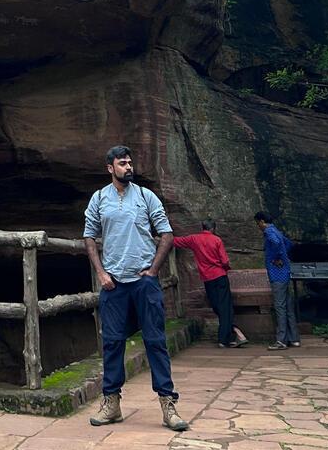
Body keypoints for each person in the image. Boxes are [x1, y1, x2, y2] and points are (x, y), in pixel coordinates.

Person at [83, 145, 189, 432]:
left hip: (144, 282)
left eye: (130, 163)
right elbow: (89, 237)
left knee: (156, 341)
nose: (128, 167)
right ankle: (112, 403)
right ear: (110, 168)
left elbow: (166, 234)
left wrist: (153, 270)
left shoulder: (145, 196)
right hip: (114, 283)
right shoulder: (99, 199)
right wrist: (101, 272)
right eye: (122, 163)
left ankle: (168, 404)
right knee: (112, 343)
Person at [173, 219, 247, 348]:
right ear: (213, 229)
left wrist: (161, 237)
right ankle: (227, 337)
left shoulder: (194, 239)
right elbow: (224, 261)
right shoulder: (216, 240)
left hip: (207, 278)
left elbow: (176, 241)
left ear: (203, 227)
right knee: (225, 307)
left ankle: (231, 335)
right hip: (220, 275)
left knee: (216, 306)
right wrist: (226, 267)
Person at [255, 211, 299, 350]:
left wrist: (276, 257)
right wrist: (284, 256)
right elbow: (289, 244)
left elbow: (275, 243)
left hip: (277, 274)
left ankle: (281, 340)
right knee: (288, 307)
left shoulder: (269, 232)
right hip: (285, 273)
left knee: (280, 307)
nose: (258, 226)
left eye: (258, 223)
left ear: (262, 221)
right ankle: (294, 338)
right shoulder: (276, 230)